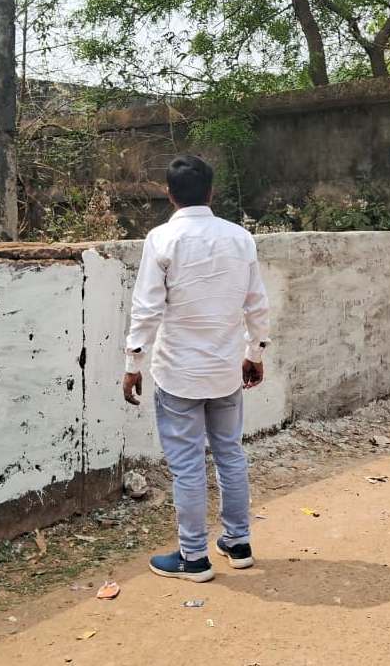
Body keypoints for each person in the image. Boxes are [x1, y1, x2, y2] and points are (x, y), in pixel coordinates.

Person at [122, 154, 271, 582]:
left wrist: (133, 363)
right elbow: (256, 304)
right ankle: (238, 543)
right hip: (226, 371)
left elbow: (147, 309)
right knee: (230, 454)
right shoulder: (240, 238)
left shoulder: (162, 239)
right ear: (211, 192)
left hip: (178, 374)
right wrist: (255, 353)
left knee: (188, 465)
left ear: (168, 195)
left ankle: (193, 557)